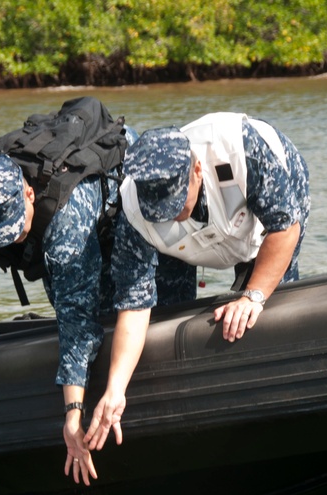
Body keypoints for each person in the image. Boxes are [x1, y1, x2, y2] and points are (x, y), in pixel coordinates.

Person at [84, 112, 310, 451]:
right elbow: (134, 303)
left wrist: (253, 295)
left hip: (268, 215)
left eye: (176, 203)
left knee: (265, 308)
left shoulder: (241, 148)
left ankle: (280, 419)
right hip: (194, 243)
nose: (171, 214)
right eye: (160, 210)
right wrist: (115, 388)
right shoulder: (134, 211)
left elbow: (285, 228)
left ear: (197, 170)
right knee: (168, 315)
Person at [0, 146, 129, 487]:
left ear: (29, 193)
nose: (11, 239)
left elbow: (76, 320)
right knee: (63, 291)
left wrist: (72, 412)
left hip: (112, 213)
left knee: (108, 314)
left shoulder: (67, 214)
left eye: (15, 228)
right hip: (52, 234)